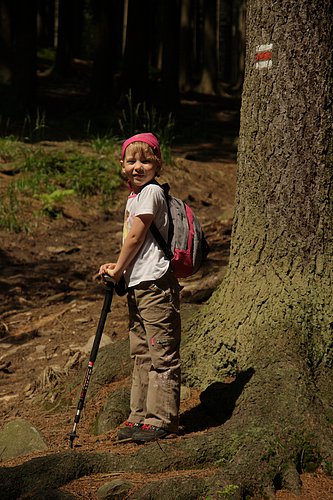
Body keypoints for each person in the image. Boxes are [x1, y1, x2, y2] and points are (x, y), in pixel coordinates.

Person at [99, 133, 181, 443]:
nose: (138, 166)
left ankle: (161, 419)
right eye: (131, 161)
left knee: (161, 352)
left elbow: (135, 238)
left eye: (145, 160)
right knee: (141, 353)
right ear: (122, 165)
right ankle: (139, 416)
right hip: (138, 283)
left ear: (157, 164)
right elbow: (134, 245)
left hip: (156, 284)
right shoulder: (134, 197)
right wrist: (117, 268)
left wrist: (119, 268)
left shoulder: (151, 193)